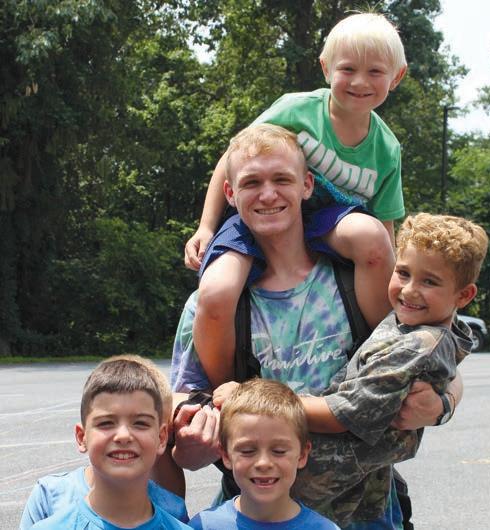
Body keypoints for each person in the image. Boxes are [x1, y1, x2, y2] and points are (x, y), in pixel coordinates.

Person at [170, 124, 463, 529]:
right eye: (252, 182)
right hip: (254, 517)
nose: (268, 194)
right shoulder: (211, 303)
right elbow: (188, 408)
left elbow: (432, 352)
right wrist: (191, 444)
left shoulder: (356, 278)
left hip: (370, 515)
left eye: (282, 179)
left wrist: (444, 403)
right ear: (230, 194)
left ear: (307, 185)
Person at [215, 212, 489, 523]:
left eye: (430, 281)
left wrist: (248, 399)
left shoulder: (418, 344)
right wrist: (446, 403)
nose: (410, 290)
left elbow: (343, 414)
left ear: (464, 295)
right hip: (356, 486)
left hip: (321, 484)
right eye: (403, 273)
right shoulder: (425, 323)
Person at [185, 12, 408, 388]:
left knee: (372, 238)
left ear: (396, 77)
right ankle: (224, 390)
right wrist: (206, 227)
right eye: (348, 69)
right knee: (217, 290)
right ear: (326, 68)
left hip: (328, 222)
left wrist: (396, 279)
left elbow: (384, 223)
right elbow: (233, 159)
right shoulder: (297, 109)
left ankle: (380, 358)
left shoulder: (386, 149)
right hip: (261, 211)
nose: (359, 81)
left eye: (375, 72)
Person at [20, 355, 189, 529]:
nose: (123, 435)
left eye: (140, 423)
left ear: (162, 438)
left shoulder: (175, 513)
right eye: (106, 423)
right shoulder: (49, 515)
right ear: (82, 437)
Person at [188, 379, 340, 529]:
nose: (263, 463)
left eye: (279, 451)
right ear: (226, 456)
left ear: (302, 455)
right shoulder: (203, 526)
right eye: (247, 451)